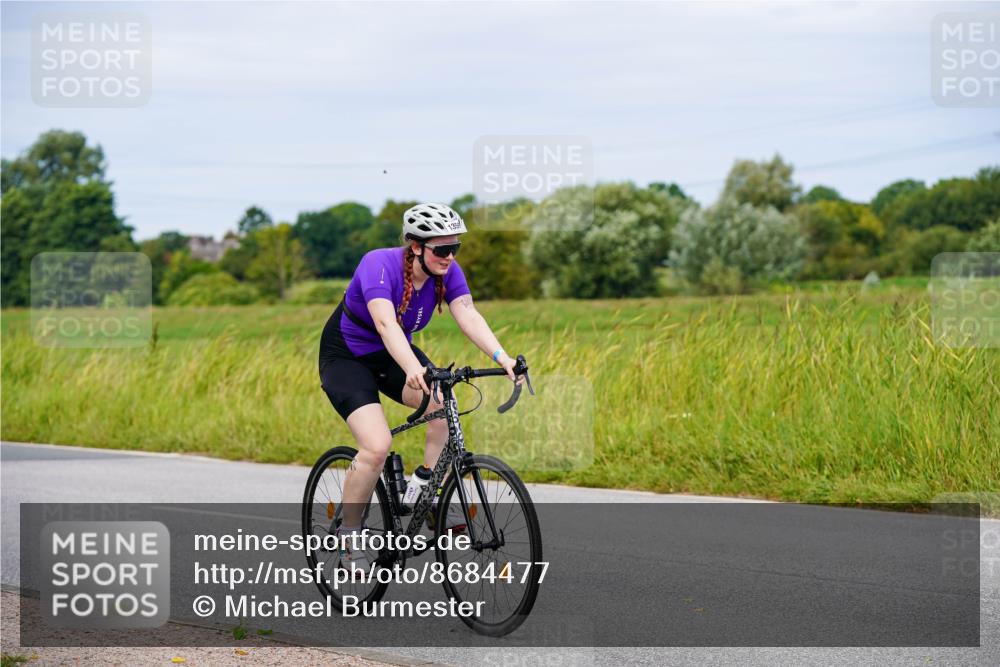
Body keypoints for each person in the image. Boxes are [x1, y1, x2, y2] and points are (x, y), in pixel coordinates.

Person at [317, 202, 522, 574]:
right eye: (442, 249)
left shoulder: (447, 271)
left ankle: (426, 492)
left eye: (455, 248)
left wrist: (501, 356)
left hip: (392, 354)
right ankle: (348, 537)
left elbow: (468, 313)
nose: (449, 256)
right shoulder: (378, 264)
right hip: (347, 357)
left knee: (443, 404)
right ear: (415, 246)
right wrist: (413, 368)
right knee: (376, 446)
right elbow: (386, 325)